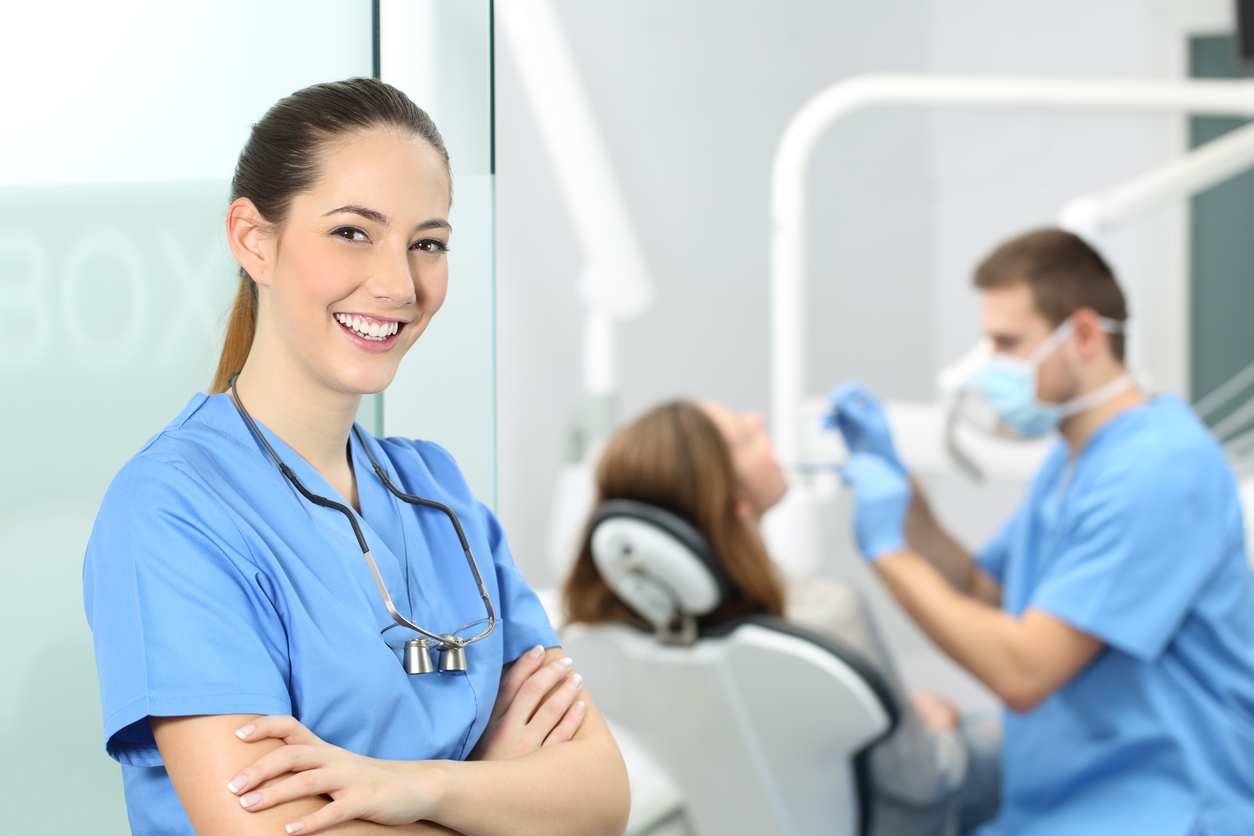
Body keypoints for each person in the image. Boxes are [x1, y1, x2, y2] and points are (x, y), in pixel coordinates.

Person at [82, 79, 628, 836]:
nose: (398, 284)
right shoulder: (173, 509)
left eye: (427, 243)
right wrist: (498, 789)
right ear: (253, 240)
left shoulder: (437, 494)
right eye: (351, 232)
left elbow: (598, 796)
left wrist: (418, 788)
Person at [831, 228, 1254, 836]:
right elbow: (985, 588)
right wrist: (903, 496)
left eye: (1008, 343)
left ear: (1083, 335)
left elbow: (1024, 672)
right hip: (1066, 801)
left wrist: (888, 554)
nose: (987, 367)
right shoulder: (1075, 458)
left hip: (1165, 809)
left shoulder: (1158, 468)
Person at [562, 400, 1000, 836]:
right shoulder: (824, 616)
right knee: (1017, 736)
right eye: (745, 435)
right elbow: (921, 788)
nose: (758, 417)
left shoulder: (603, 640)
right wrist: (939, 727)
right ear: (736, 504)